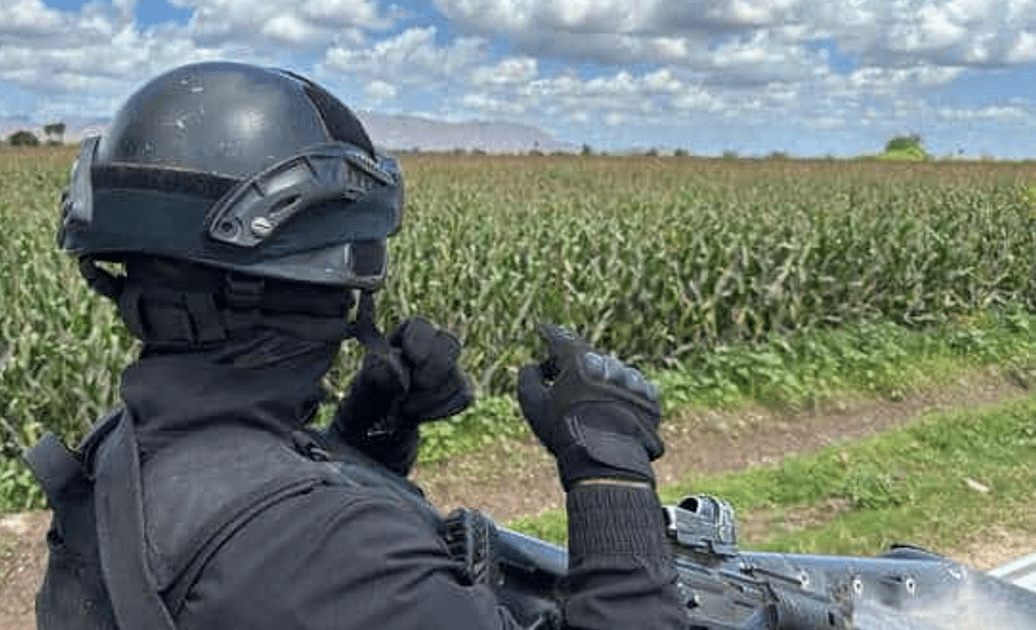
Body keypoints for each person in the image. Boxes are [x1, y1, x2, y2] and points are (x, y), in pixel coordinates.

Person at [39, 60, 686, 630]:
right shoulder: (334, 551)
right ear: (320, 283)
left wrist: (368, 435)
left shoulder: (119, 451)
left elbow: (248, 543)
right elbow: (301, 560)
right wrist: (610, 468)